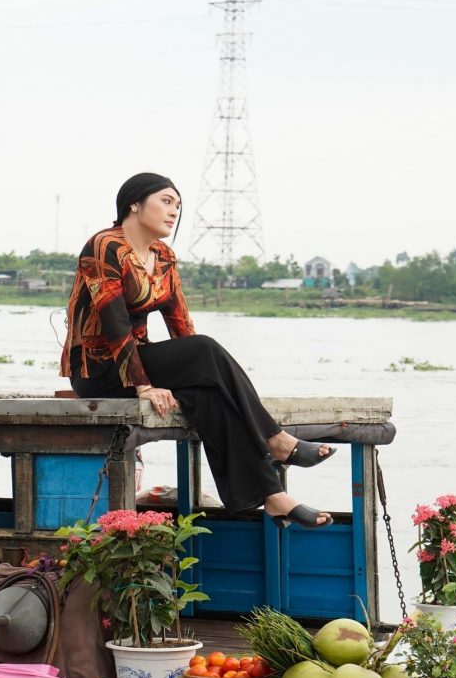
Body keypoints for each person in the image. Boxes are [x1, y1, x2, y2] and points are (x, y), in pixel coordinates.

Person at [60, 172, 335, 530]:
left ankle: (273, 498)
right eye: (166, 201)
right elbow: (115, 323)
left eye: (178, 205)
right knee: (204, 351)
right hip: (97, 370)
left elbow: (181, 326)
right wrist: (144, 385)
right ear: (133, 203)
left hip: (139, 361)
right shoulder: (106, 246)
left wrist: (199, 371)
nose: (174, 212)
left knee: (208, 393)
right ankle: (275, 439)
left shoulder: (163, 256)